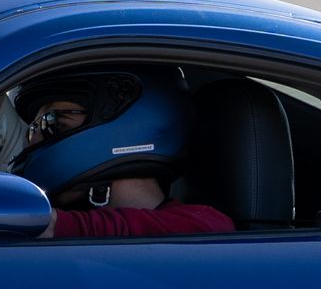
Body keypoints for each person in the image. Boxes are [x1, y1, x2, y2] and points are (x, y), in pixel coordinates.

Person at [13, 70, 232, 238]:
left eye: (52, 122)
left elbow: (203, 233)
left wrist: (56, 225)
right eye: (31, 129)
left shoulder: (203, 227)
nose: (33, 140)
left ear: (132, 125)